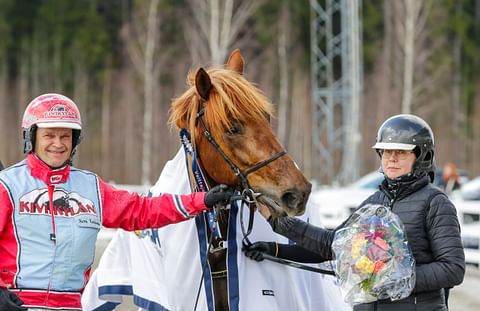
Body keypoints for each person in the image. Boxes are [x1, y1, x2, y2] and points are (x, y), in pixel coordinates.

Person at [0, 93, 235, 311]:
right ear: (31, 137)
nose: (58, 144)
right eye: (49, 135)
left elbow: (143, 210)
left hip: (71, 304)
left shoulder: (91, 187)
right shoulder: (7, 185)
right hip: (17, 303)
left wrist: (202, 199)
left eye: (65, 136)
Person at [245, 114, 465, 311]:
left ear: (421, 156)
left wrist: (393, 278)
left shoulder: (435, 203)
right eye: (387, 151)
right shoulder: (373, 203)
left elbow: (453, 268)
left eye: (401, 152)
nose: (391, 159)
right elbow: (332, 246)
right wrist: (276, 236)